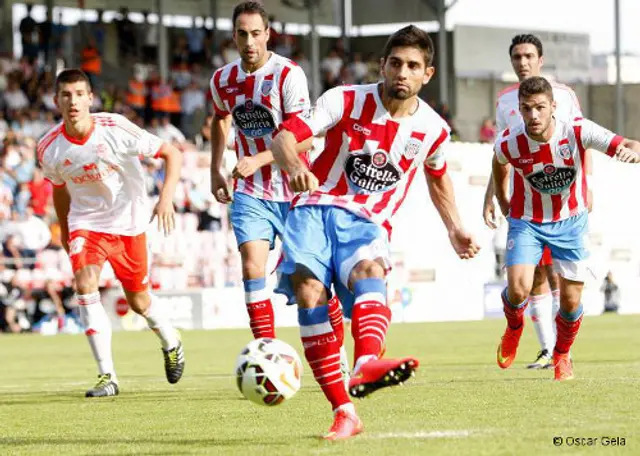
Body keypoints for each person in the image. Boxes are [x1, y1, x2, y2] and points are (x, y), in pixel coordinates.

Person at [270, 25, 480, 440]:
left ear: (428, 74)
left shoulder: (434, 129)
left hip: (366, 220)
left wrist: (455, 228)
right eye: (396, 63)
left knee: (369, 270)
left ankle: (366, 363)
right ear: (382, 65)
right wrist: (295, 168)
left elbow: (437, 178)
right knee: (310, 293)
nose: (403, 72)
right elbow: (282, 139)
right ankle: (344, 411)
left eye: (413, 66)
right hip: (313, 209)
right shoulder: (343, 99)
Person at [38, 69, 185, 397]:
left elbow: (172, 154)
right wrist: (65, 230)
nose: (73, 101)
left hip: (129, 223)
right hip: (86, 224)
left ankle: (171, 341)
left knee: (139, 301)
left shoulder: (116, 128)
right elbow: (60, 189)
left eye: (79, 94)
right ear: (56, 101)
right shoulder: (49, 147)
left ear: (90, 98)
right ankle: (108, 376)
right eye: (66, 95)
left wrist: (165, 200)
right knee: (85, 284)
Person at [209, 1, 346, 346]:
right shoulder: (222, 79)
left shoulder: (287, 75)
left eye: (256, 33)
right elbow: (220, 118)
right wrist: (215, 169)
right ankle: (266, 354)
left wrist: (258, 160)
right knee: (252, 269)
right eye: (243, 34)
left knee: (313, 284)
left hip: (296, 192)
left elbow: (304, 139)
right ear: (234, 36)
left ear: (268, 34)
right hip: (251, 194)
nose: (250, 42)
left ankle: (336, 352)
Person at [492, 76, 640, 381]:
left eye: (539, 108)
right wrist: (502, 199)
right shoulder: (510, 140)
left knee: (571, 303)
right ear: (519, 109)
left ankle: (561, 354)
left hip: (570, 222)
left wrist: (633, 151)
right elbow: (499, 162)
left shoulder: (577, 129)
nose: (533, 115)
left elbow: (625, 143)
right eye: (526, 108)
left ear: (553, 107)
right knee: (518, 288)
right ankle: (514, 328)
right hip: (527, 222)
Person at [483, 34, 589, 369]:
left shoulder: (565, 96)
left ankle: (561, 352)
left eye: (529, 56)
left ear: (540, 60)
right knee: (534, 277)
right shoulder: (504, 102)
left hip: (564, 202)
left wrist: (589, 186)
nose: (523, 62)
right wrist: (492, 196)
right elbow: (501, 153)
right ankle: (547, 349)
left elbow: (580, 140)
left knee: (560, 276)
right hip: (527, 202)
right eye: (517, 57)